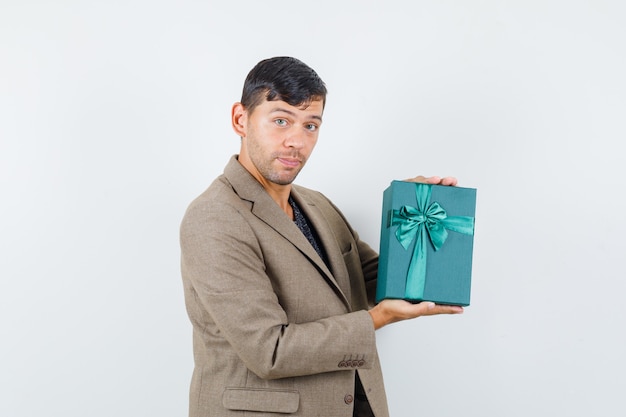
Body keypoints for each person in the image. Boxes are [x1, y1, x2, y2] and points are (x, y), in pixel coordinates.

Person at [180, 56, 463, 417]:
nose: (296, 141)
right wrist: (377, 319)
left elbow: (375, 280)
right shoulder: (214, 218)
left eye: (310, 125)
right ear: (241, 119)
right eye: (280, 120)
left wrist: (413, 211)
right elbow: (270, 351)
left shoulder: (317, 205)